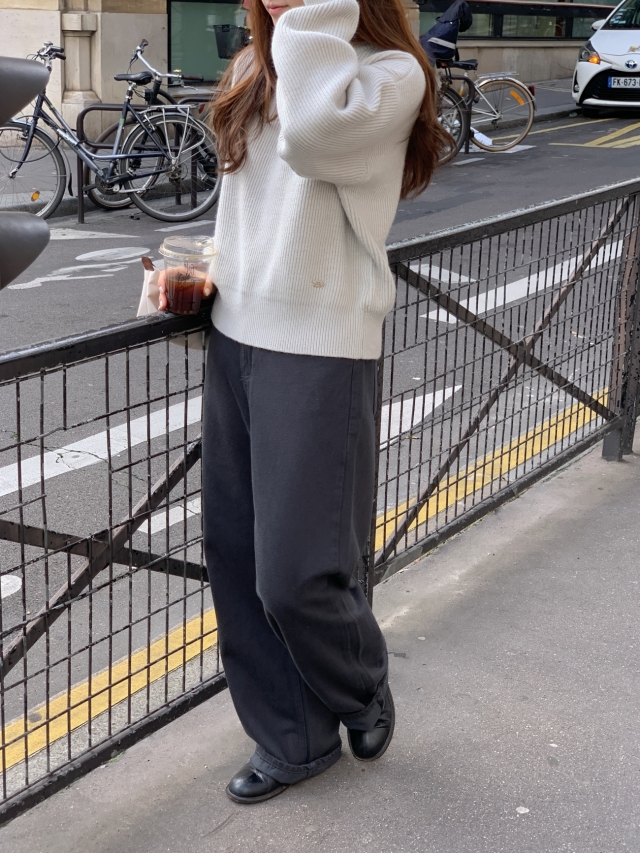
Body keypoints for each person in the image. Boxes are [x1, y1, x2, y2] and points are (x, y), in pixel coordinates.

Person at [159, 0, 449, 805]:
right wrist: (201, 273)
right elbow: (246, 203)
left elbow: (313, 141)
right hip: (235, 333)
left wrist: (306, 23)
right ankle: (293, 737)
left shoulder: (388, 74)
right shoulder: (260, 64)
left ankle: (360, 682)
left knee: (298, 573)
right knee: (237, 556)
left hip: (321, 345)